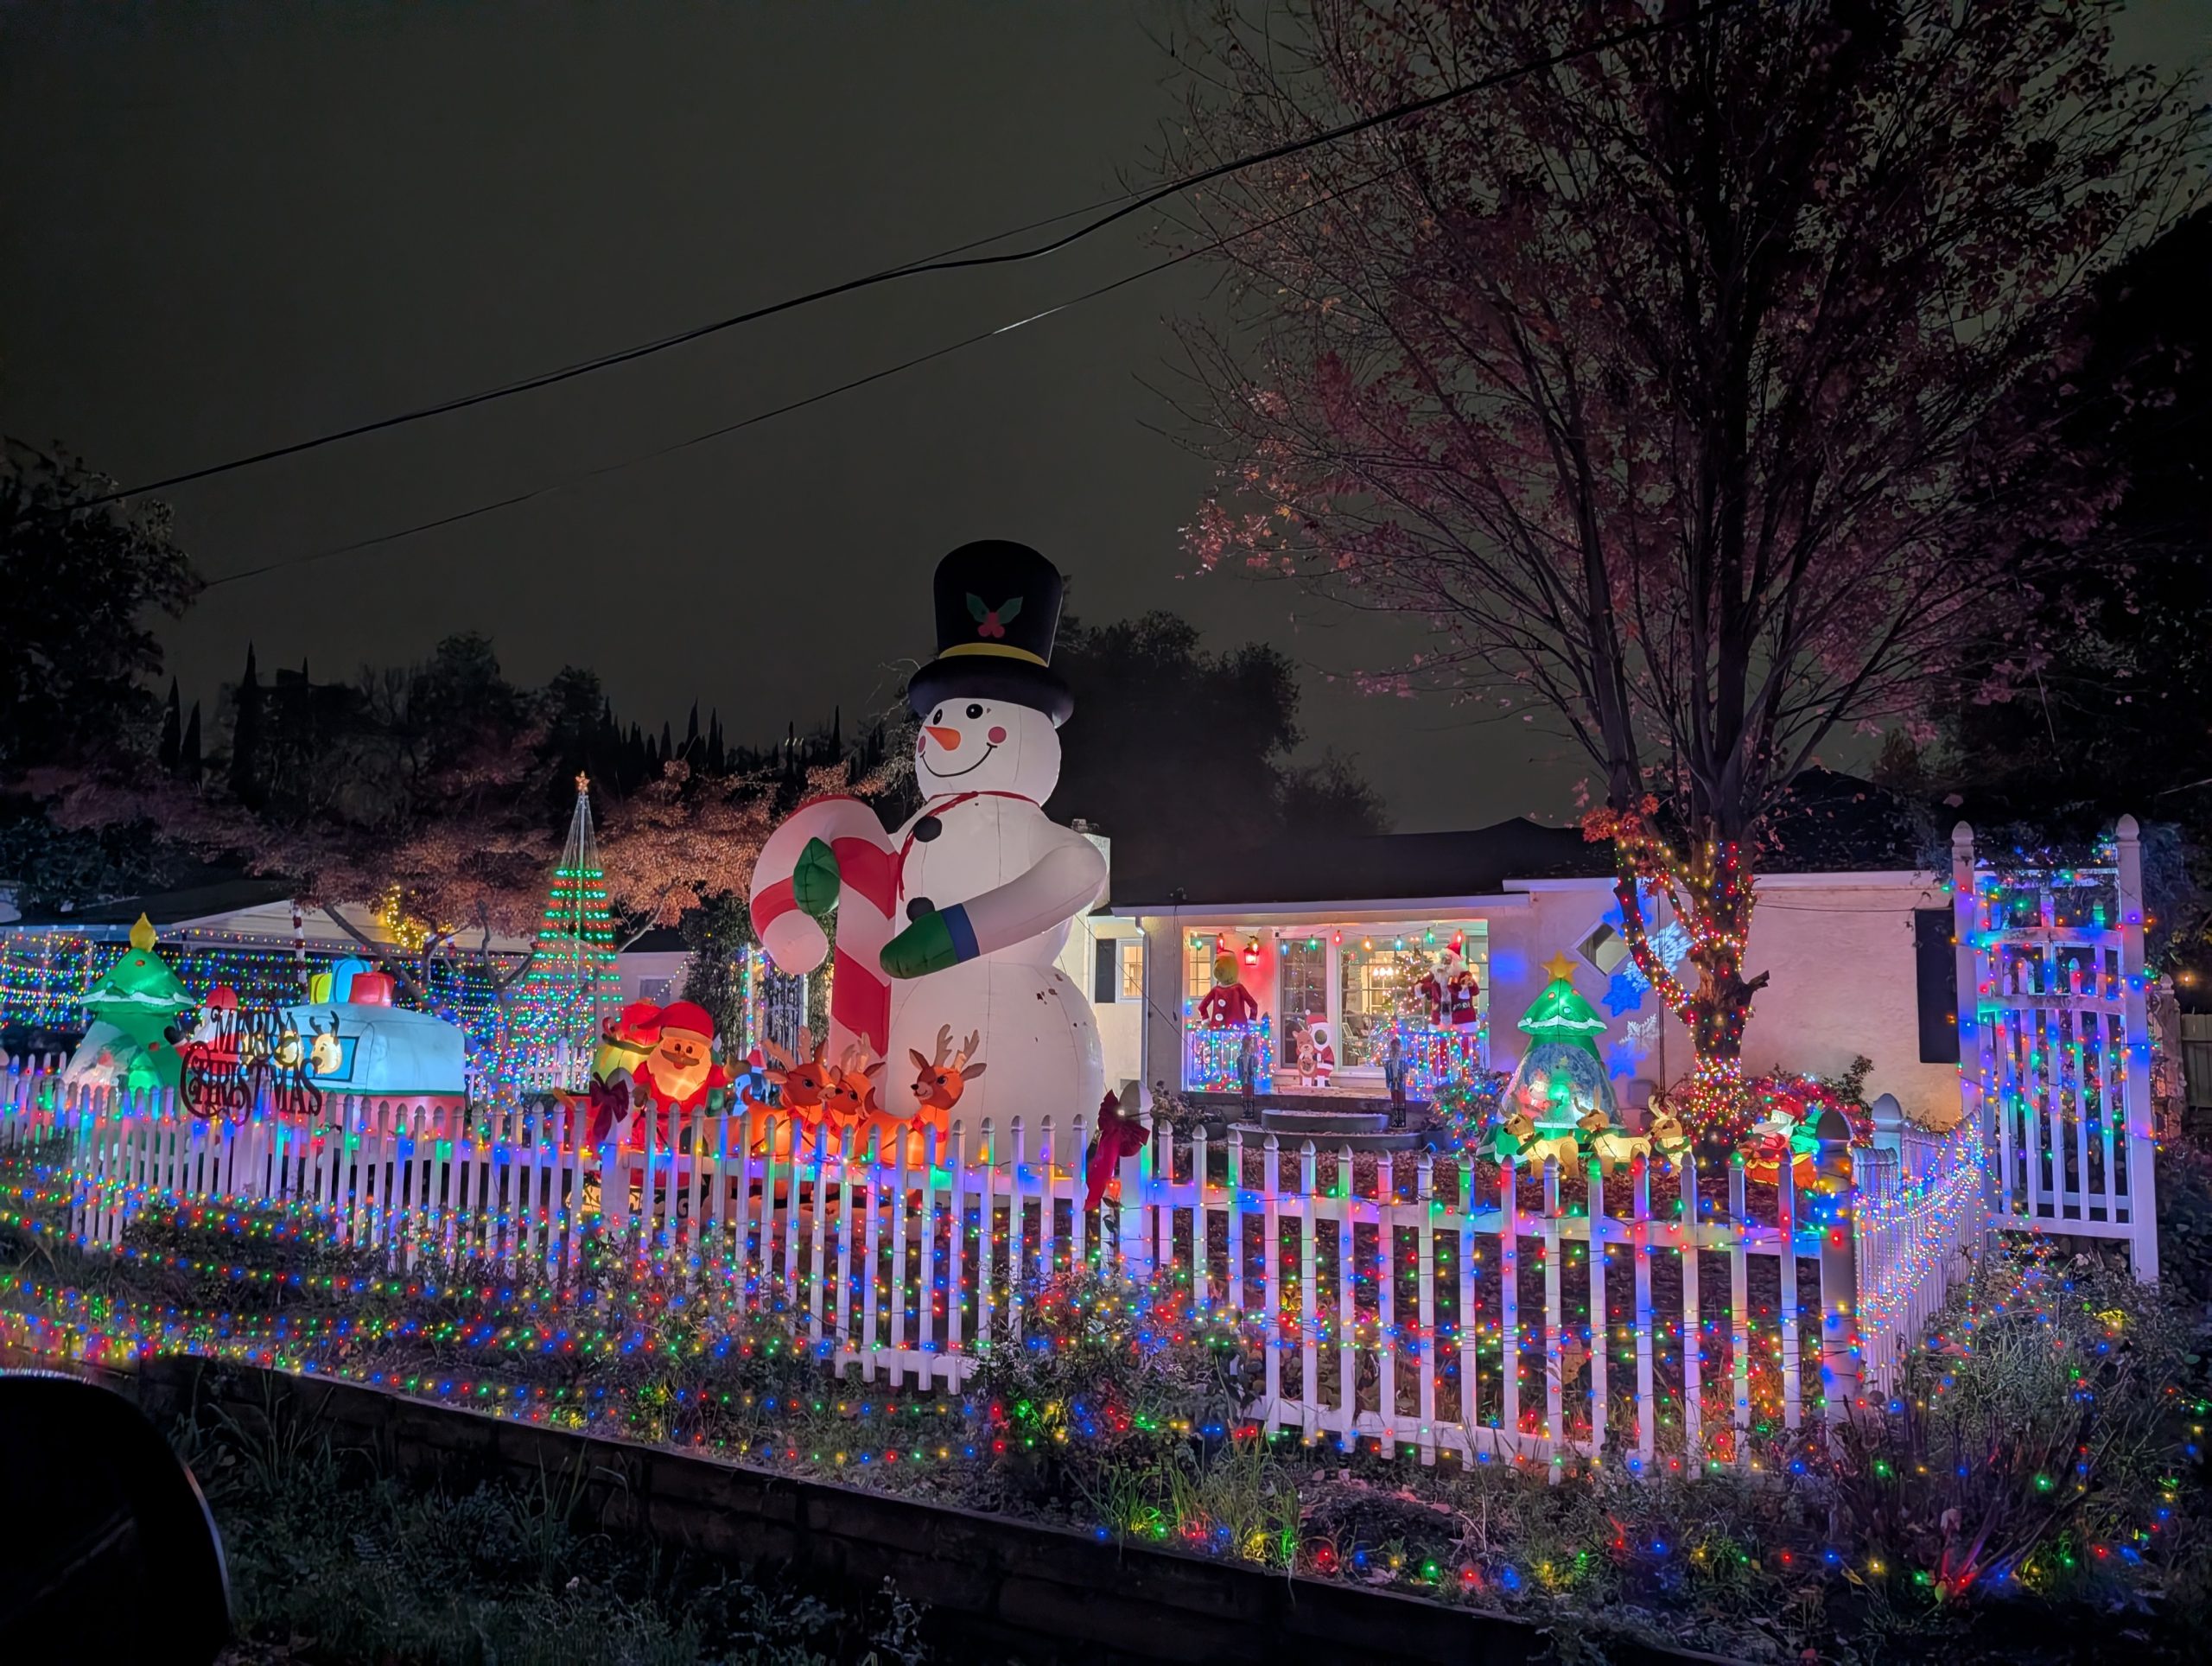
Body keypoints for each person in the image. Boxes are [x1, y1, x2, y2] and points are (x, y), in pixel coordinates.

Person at [1383, 1029, 1408, 1128]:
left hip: (1400, 1082)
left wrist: (1404, 1075)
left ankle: (1401, 1120)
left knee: (1401, 1101)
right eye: (1393, 1046)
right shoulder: (1390, 1060)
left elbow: (1406, 1068)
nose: (1395, 1048)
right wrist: (1388, 1080)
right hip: (1393, 1083)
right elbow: (1388, 1071)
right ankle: (1395, 1119)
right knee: (1394, 1101)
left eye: (1396, 1046)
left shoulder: (1403, 1059)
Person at [1236, 1028, 1260, 1110]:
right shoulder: (1240, 1058)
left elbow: (1255, 1066)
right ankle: (1245, 1109)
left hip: (1250, 1077)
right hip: (1244, 1077)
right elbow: (1239, 1068)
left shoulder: (1252, 1057)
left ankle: (1250, 1109)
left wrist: (1254, 1070)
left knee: (1250, 1093)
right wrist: (1240, 1075)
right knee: (1244, 1093)